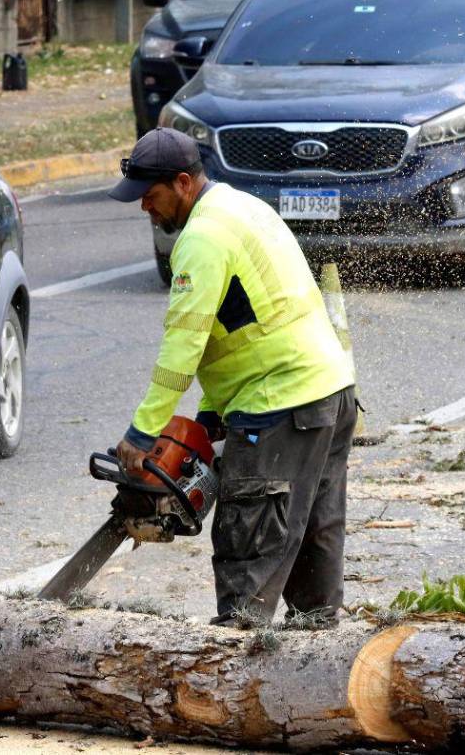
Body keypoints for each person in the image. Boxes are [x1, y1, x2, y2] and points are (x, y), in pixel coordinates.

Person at [110, 128, 356, 627]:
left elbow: (183, 346)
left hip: (279, 401)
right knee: (311, 533)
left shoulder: (201, 239)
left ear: (182, 183)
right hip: (329, 389)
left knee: (251, 544)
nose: (144, 209)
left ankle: (234, 666)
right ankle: (318, 653)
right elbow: (245, 318)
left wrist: (143, 434)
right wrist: (209, 418)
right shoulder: (243, 207)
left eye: (150, 196)